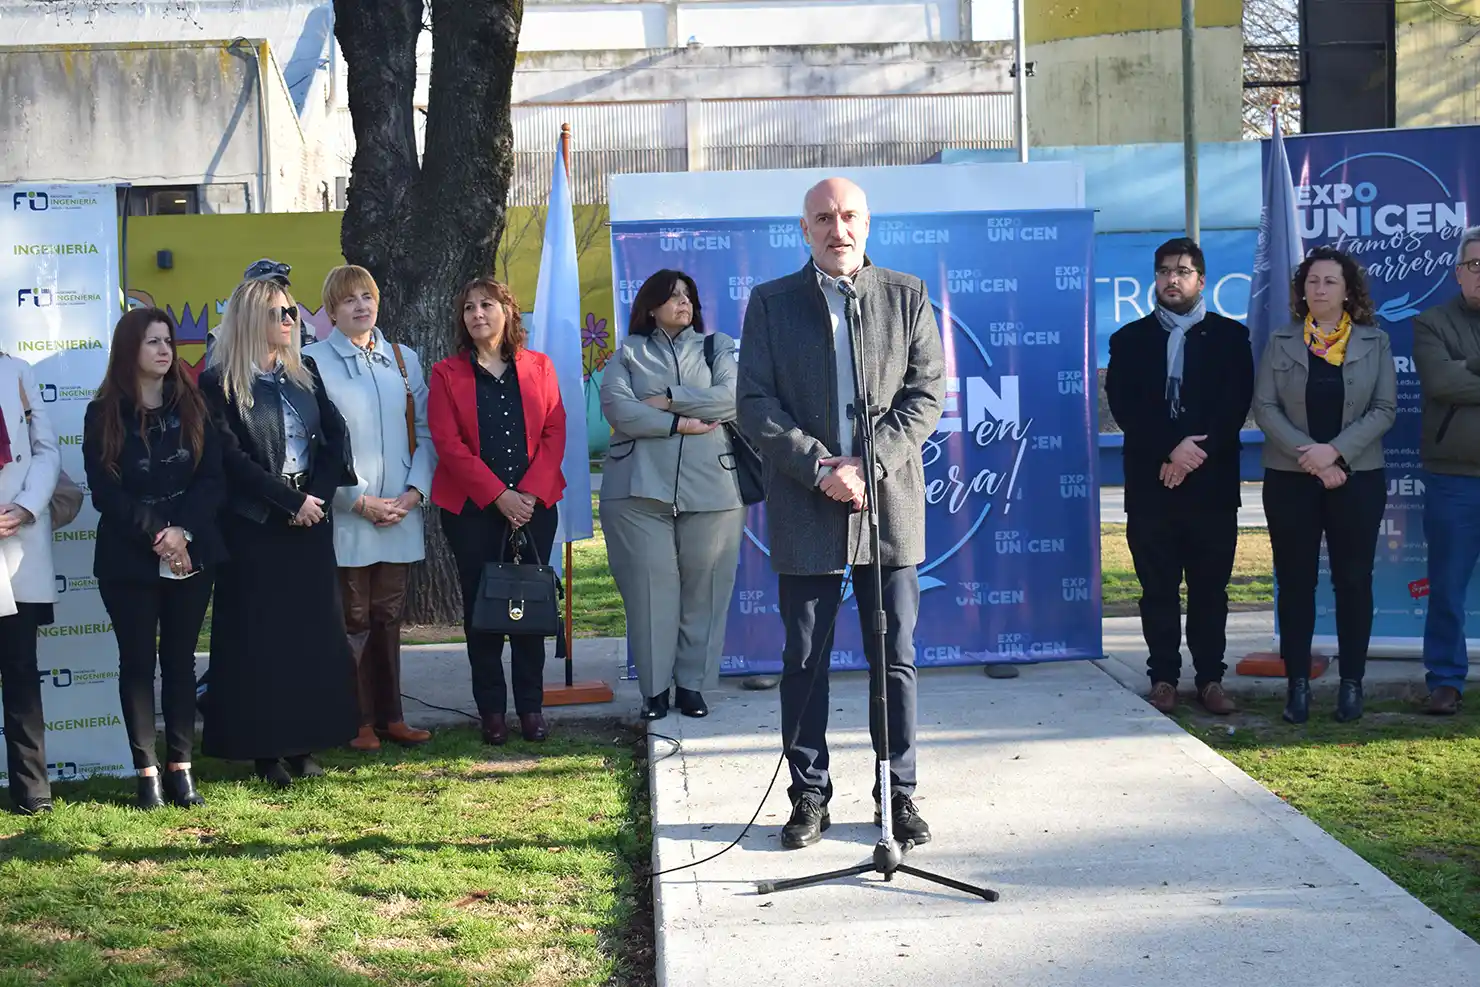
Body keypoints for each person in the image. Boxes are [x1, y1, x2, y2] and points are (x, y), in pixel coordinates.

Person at [736, 177, 944, 851]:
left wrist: (865, 465)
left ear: (867, 224)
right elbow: (754, 404)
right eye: (823, 218)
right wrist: (821, 466)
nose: (838, 229)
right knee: (804, 660)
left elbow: (926, 395)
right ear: (805, 230)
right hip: (807, 506)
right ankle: (809, 795)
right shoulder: (771, 303)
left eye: (849, 215)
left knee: (895, 658)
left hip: (888, 507)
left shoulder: (907, 295)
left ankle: (897, 792)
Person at [198, 278, 360, 787]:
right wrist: (288, 502)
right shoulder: (218, 381)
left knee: (309, 637)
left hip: (309, 520)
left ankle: (304, 744)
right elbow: (230, 456)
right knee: (259, 640)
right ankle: (265, 751)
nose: (291, 320)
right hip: (255, 525)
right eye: (279, 313)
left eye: (292, 312)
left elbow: (335, 438)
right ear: (251, 319)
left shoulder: (303, 370)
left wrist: (315, 499)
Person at [83, 308, 226, 808]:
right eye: (152, 342)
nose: (165, 350)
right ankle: (147, 774)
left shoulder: (195, 404)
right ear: (130, 350)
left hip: (192, 551)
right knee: (138, 663)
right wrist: (158, 535)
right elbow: (105, 491)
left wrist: (182, 532)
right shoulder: (102, 413)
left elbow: (212, 480)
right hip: (127, 558)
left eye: (168, 341)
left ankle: (180, 769)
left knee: (181, 662)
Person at [1105, 237, 1254, 717]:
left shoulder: (1231, 338)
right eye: (1165, 271)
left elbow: (1233, 408)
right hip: (1152, 486)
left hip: (1212, 487)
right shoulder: (1129, 340)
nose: (1173, 279)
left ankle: (1210, 679)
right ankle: (1164, 679)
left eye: (1183, 271)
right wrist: (1171, 448)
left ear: (1201, 280)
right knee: (1158, 591)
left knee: (1210, 591)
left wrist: (1190, 455)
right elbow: (1127, 407)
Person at [1254, 247, 1396, 723]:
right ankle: (1297, 685)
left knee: (1353, 581)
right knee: (1296, 582)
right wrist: (1313, 458)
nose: (1319, 289)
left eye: (1330, 281)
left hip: (1356, 477)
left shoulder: (1375, 341)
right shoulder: (1281, 340)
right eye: (1312, 281)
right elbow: (1265, 407)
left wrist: (1334, 453)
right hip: (1290, 479)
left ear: (1348, 291)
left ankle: (1351, 684)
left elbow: (1384, 410)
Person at [600, 269, 745, 721]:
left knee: (707, 590)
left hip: (713, 488)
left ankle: (693, 687)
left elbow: (732, 399)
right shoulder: (627, 353)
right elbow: (619, 410)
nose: (684, 303)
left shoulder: (717, 346)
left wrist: (668, 398)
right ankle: (654, 691)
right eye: (673, 296)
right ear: (650, 306)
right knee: (650, 593)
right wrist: (680, 422)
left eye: (689, 296)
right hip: (637, 492)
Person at [428, 277, 566, 746]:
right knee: (482, 610)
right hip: (472, 511)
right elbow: (448, 444)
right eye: (469, 307)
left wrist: (526, 495)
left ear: (508, 312)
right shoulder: (446, 373)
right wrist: (498, 496)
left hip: (534, 507)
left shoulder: (540, 366)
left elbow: (554, 431)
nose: (477, 314)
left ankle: (530, 709)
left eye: (487, 305)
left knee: (530, 605)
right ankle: (491, 711)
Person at [305, 265, 436, 752]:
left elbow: (426, 433)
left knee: (388, 615)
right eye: (348, 299)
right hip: (348, 514)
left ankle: (392, 717)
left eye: (367, 296)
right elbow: (312, 446)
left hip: (401, 510)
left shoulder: (403, 359)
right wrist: (356, 500)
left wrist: (415, 492)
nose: (361, 306)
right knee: (353, 618)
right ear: (331, 310)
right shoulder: (312, 362)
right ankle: (355, 720)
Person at [1413, 224, 1480, 715]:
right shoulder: (1431, 322)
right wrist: (1458, 372)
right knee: (1447, 588)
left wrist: (1468, 366)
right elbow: (1441, 383)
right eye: (1474, 265)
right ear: (1459, 272)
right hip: (1453, 480)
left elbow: (1460, 377)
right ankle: (1445, 679)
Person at [0, 350, 60, 815]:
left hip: (15, 540)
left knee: (20, 668)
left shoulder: (16, 370)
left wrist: (25, 506)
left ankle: (32, 791)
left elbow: (46, 450)